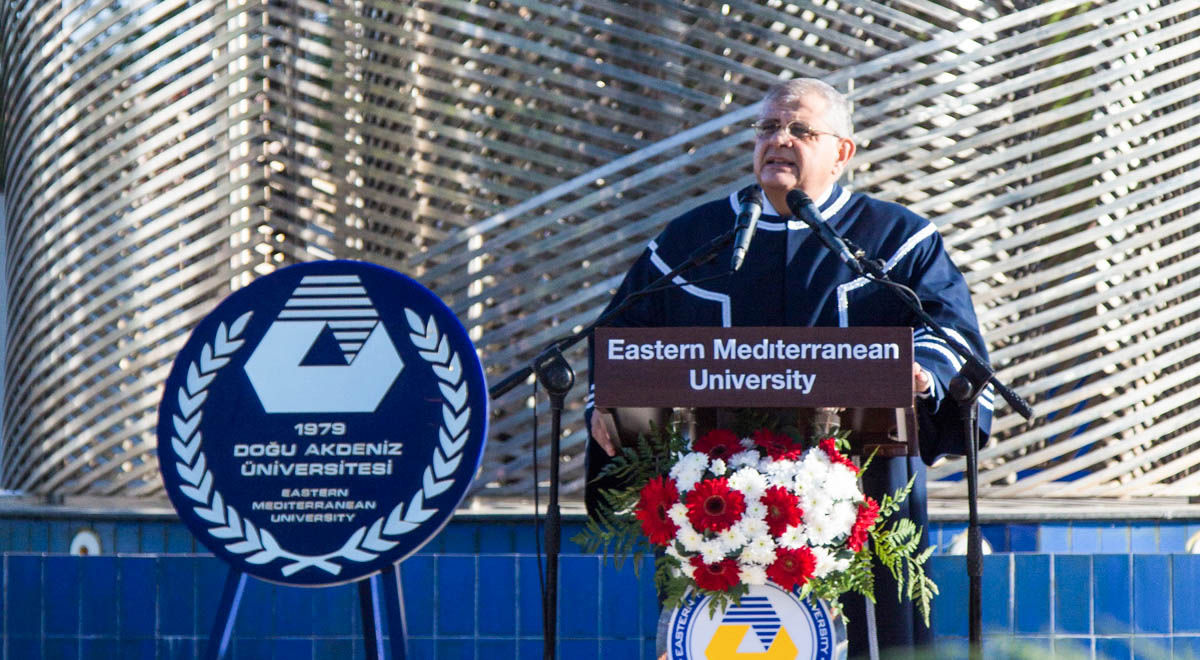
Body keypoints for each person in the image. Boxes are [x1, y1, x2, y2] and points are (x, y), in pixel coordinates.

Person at [584, 78, 994, 657]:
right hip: (713, 500)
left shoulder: (896, 239)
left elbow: (951, 334)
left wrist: (922, 372)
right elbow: (622, 335)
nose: (778, 140)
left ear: (842, 152)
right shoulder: (693, 241)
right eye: (768, 127)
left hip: (865, 495)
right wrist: (604, 400)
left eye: (800, 129)